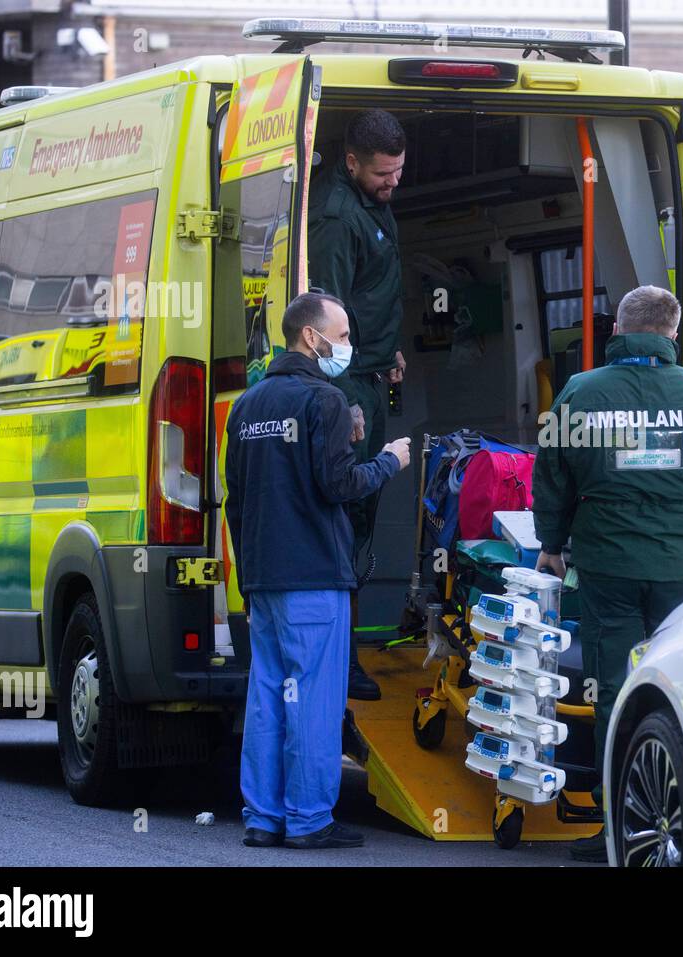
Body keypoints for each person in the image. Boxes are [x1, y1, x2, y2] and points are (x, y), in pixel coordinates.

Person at [532, 284, 683, 863]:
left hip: (608, 567)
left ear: (618, 331)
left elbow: (551, 475)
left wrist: (552, 543)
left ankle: (616, 827)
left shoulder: (580, 394)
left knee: (615, 691)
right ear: (673, 333)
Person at [225, 291, 411, 850]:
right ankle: (308, 819)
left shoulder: (247, 406)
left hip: (264, 578)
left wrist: (248, 576)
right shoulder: (324, 400)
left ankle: (262, 817)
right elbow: (338, 485)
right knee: (313, 698)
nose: (348, 346)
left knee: (267, 697)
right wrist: (388, 461)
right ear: (313, 337)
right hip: (314, 579)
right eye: (344, 335)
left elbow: (238, 499)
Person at [307, 108, 408, 701]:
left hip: (371, 376)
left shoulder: (372, 205)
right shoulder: (337, 218)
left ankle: (341, 655)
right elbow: (324, 320)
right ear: (351, 163)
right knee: (344, 522)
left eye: (398, 172)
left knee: (361, 518)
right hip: (348, 390)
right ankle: (337, 662)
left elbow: (368, 303)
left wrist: (387, 352)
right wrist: (344, 402)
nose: (393, 183)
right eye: (382, 174)